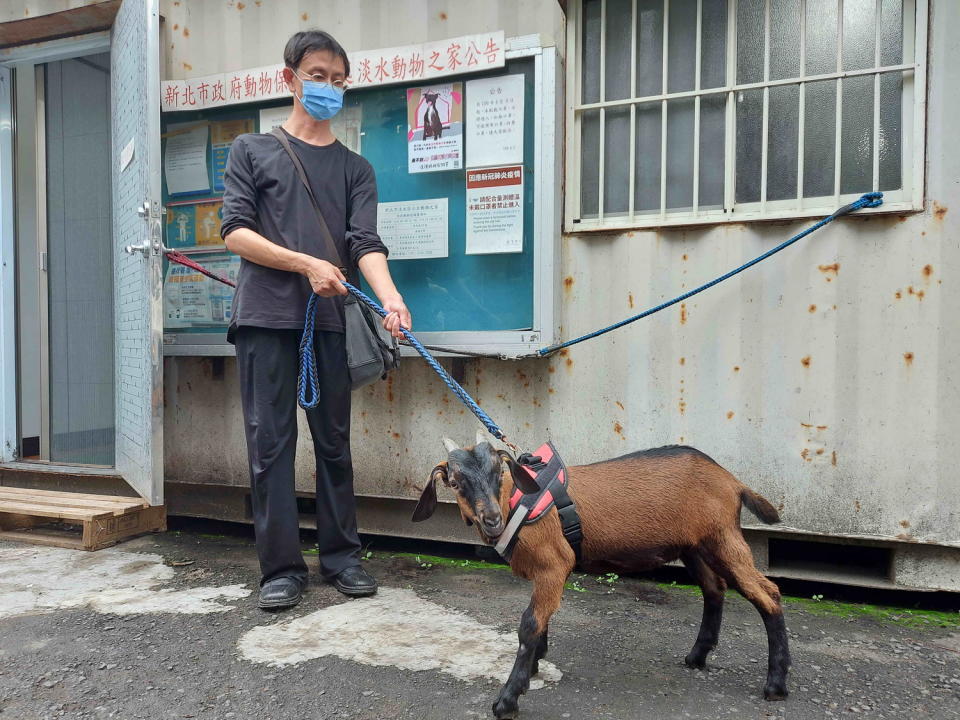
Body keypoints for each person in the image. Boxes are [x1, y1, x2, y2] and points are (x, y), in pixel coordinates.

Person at [221, 29, 411, 610]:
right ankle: (280, 569)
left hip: (329, 323)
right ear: (289, 79)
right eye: (316, 75)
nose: (326, 86)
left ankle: (342, 558)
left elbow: (364, 243)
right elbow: (236, 232)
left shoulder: (356, 169)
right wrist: (306, 263)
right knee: (270, 445)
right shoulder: (251, 150)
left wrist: (393, 299)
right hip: (264, 319)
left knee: (333, 442)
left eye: (336, 78)